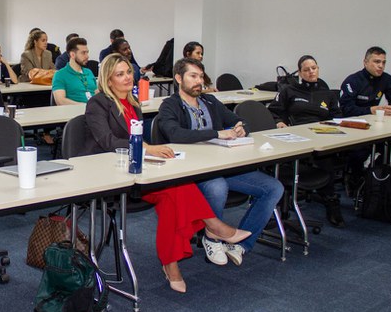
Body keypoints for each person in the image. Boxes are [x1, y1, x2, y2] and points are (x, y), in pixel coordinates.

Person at [82, 54, 250, 293]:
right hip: (107, 173)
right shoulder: (98, 104)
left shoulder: (134, 104)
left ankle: (173, 263)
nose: (128, 77)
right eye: (120, 74)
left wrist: (150, 153)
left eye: (129, 72)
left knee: (175, 190)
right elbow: (108, 141)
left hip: (136, 170)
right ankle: (213, 227)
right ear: (108, 80)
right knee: (177, 189)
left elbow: (137, 143)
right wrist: (149, 148)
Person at [156, 58, 284, 266]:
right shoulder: (170, 105)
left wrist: (242, 127)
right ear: (179, 78)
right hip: (192, 171)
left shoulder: (210, 102)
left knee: (273, 187)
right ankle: (212, 237)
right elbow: (174, 133)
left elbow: (236, 120)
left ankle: (241, 245)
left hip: (222, 165)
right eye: (193, 76)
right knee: (217, 186)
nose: (199, 82)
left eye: (201, 77)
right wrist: (217, 133)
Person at [269, 55, 344, 226]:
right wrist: (279, 122)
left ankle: (331, 200)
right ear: (300, 73)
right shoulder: (289, 90)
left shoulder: (327, 93)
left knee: (327, 158)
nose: (311, 72)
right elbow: (273, 110)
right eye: (306, 69)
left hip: (322, 134)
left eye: (314, 68)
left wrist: (330, 125)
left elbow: (337, 116)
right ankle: (283, 200)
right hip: (296, 136)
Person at [339, 46, 391, 189]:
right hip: (353, 128)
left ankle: (380, 178)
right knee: (359, 153)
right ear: (365, 62)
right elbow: (346, 109)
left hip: (375, 128)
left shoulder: (387, 79)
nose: (380, 66)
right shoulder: (352, 81)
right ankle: (355, 181)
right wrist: (371, 109)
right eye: (376, 62)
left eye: (383, 62)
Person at [51, 37, 97, 105]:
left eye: (87, 52)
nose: (87, 56)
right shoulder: (60, 75)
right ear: (72, 55)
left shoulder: (89, 72)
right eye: (83, 53)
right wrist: (84, 106)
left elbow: (97, 93)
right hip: (75, 113)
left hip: (95, 112)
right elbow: (60, 101)